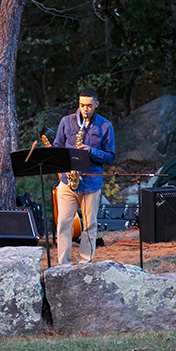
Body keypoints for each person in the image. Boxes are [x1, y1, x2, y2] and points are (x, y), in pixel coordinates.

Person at [53, 87, 116, 265]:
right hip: (67, 181)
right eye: (81, 105)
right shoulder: (66, 122)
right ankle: (63, 265)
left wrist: (92, 151)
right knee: (63, 225)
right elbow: (57, 146)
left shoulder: (105, 126)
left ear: (96, 104)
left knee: (89, 226)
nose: (85, 109)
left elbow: (110, 156)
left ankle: (84, 264)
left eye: (89, 105)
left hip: (91, 182)